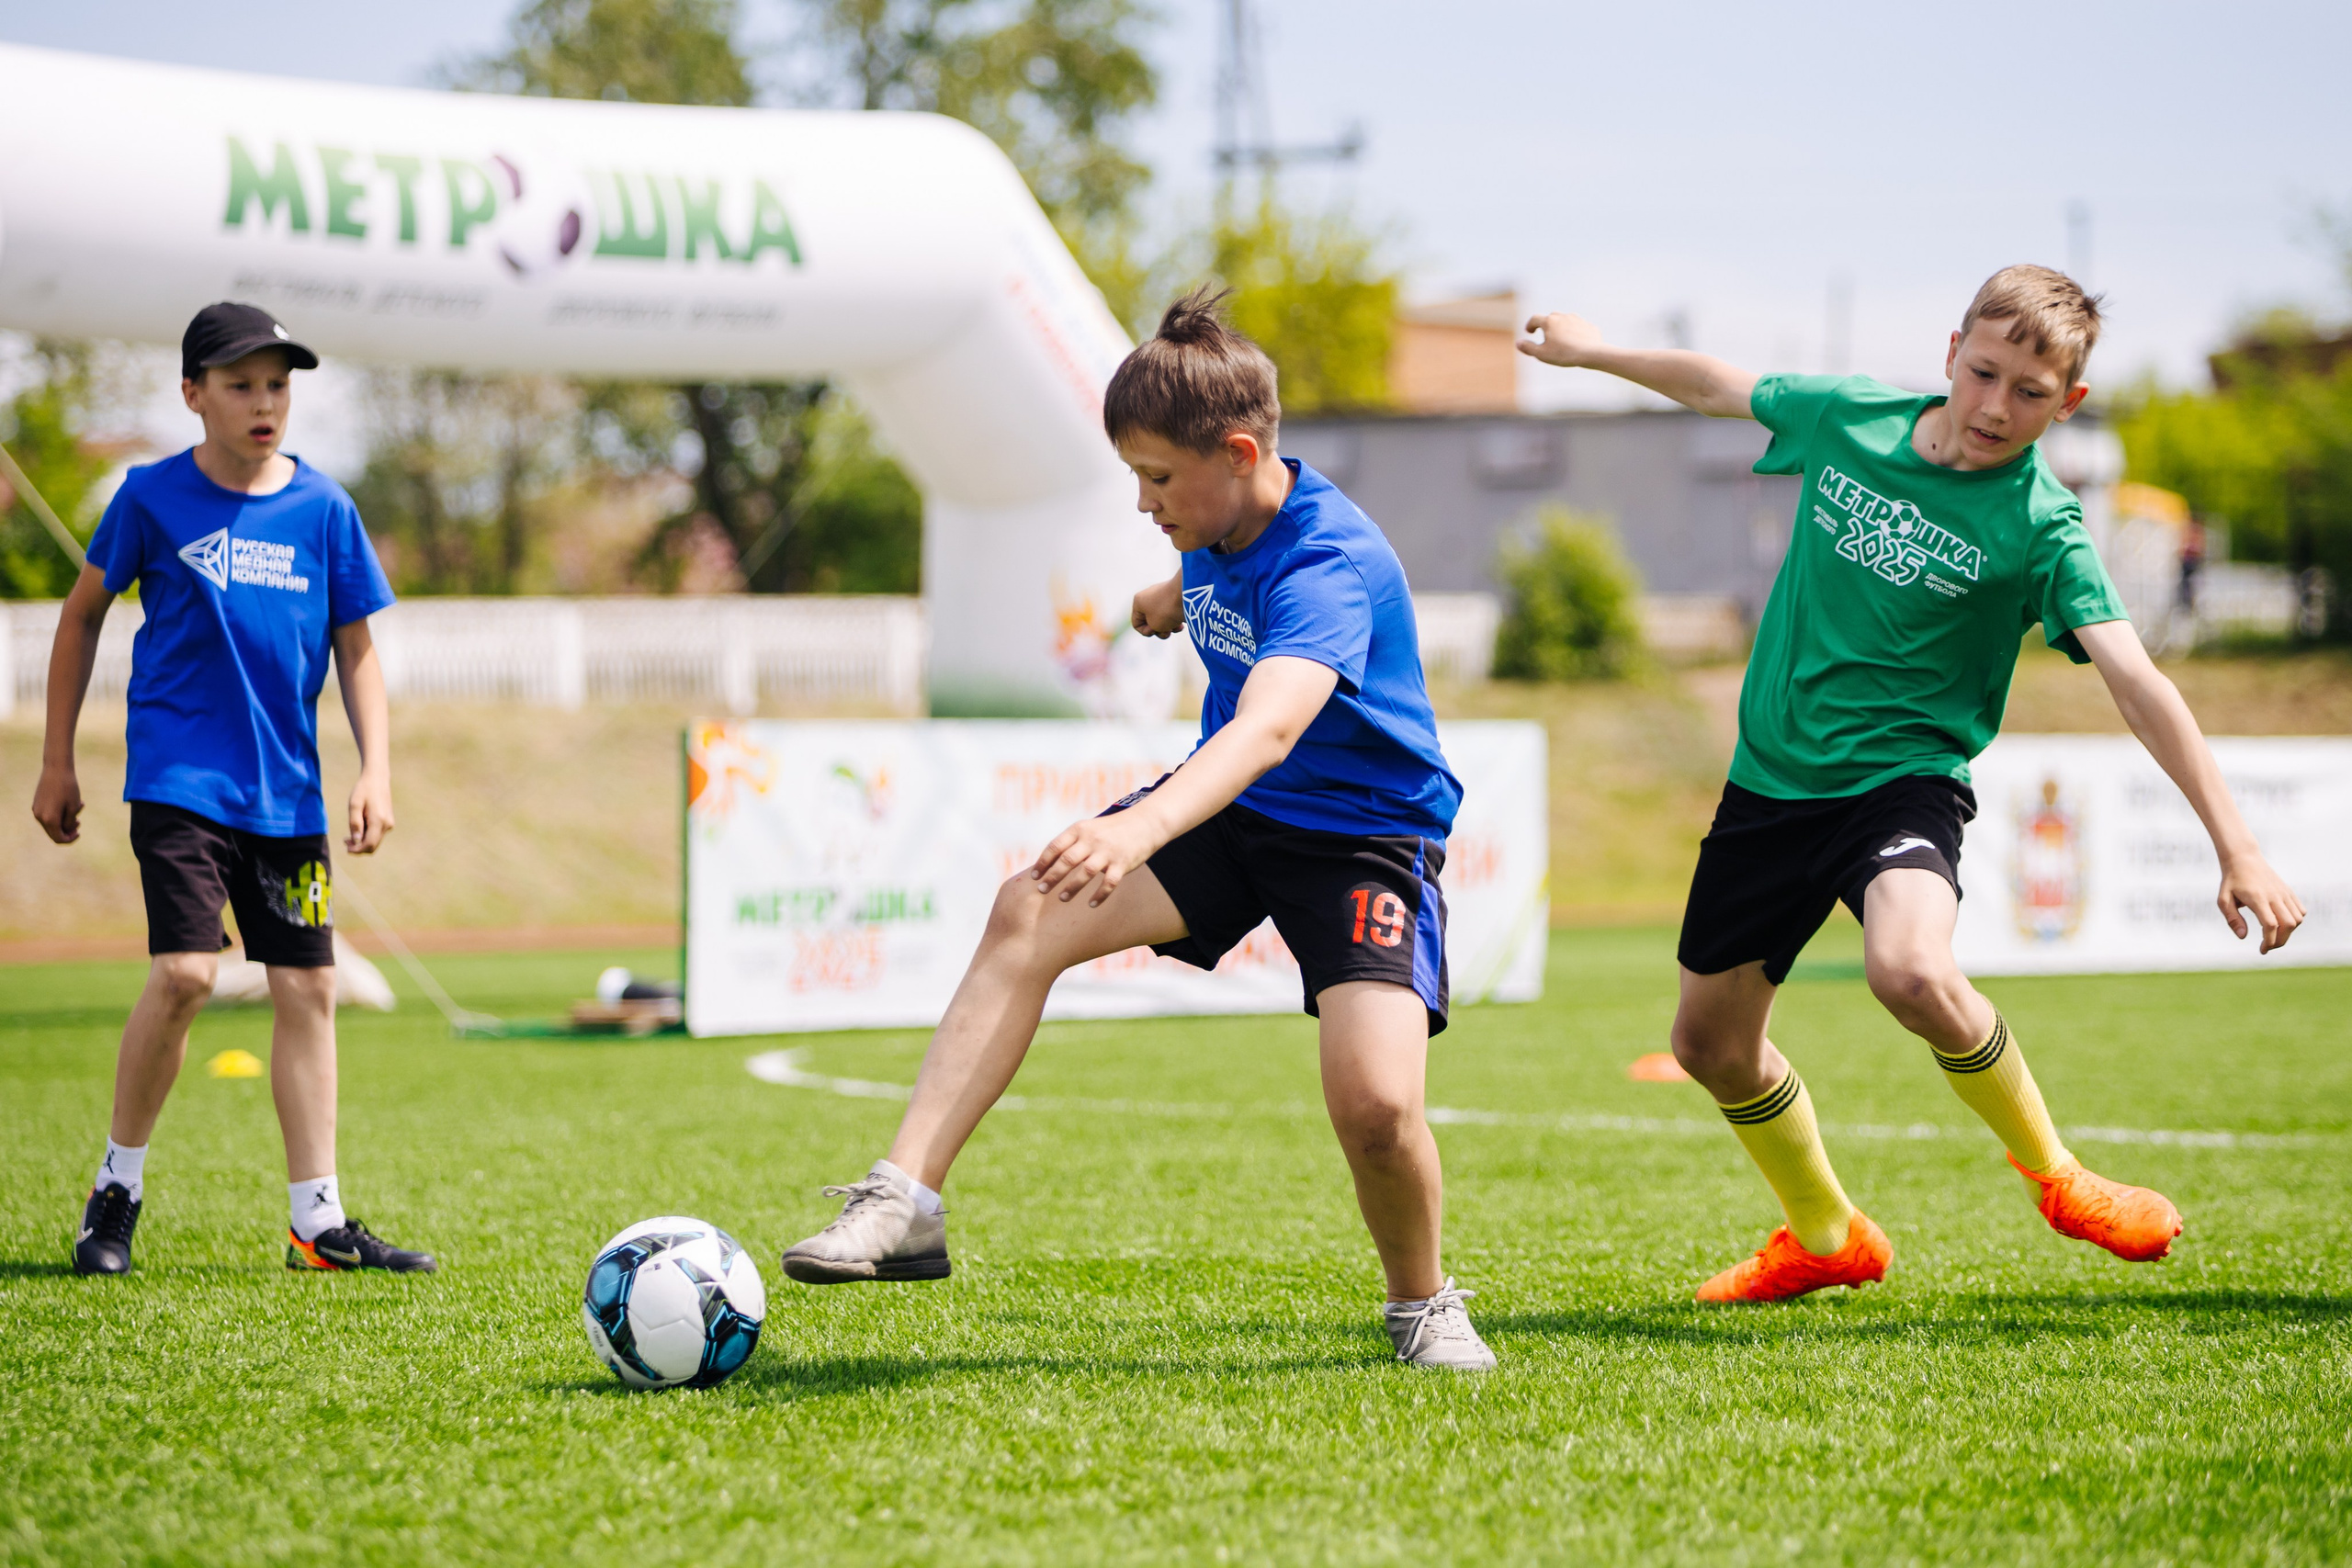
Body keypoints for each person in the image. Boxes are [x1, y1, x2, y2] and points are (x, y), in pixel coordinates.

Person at [1520, 265, 2305, 1303]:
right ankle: (1825, 1234)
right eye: (1982, 373)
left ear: (2067, 404)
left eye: (2029, 394)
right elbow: (1720, 384)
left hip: (1902, 786)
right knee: (1708, 1048)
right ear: (1949, 351)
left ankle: (2061, 1178)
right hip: (1766, 790)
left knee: (1909, 969)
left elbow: (2136, 681)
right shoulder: (1853, 418)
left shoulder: (2042, 525)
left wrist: (2236, 845)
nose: (1994, 407)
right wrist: (1593, 352)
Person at [781, 288, 1493, 1370]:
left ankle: (1423, 1305)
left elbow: (1264, 731)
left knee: (1379, 1105)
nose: (1143, 501)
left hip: (1359, 836)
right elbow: (1212, 578)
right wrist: (1164, 597)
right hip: (1240, 818)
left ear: (1239, 452)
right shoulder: (1222, 516)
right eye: (1134, 479)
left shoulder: (1327, 566)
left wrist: (1137, 828)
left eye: (1156, 479)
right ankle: (905, 1200)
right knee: (1028, 911)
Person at [33, 301, 435, 1277]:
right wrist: (57, 758)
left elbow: (358, 649)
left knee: (309, 987)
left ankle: (318, 1222)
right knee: (184, 975)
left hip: (287, 800)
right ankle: (115, 1192)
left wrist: (375, 768)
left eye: (279, 385)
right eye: (241, 385)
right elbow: (83, 616)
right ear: (193, 396)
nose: (265, 404)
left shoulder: (325, 510)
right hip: (178, 781)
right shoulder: (148, 498)